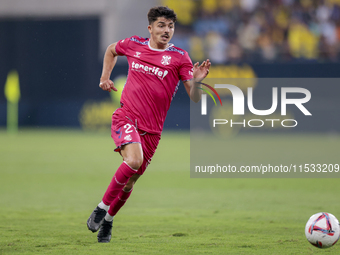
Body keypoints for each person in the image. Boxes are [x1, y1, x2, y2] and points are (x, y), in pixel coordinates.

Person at [87, 6, 211, 243]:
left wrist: (197, 81)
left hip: (153, 130)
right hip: (127, 116)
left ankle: (109, 221)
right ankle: (101, 208)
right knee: (133, 161)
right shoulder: (134, 44)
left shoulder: (180, 57)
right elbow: (111, 50)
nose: (167, 30)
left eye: (171, 26)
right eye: (162, 25)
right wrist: (104, 77)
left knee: (130, 182)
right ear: (150, 28)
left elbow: (194, 97)